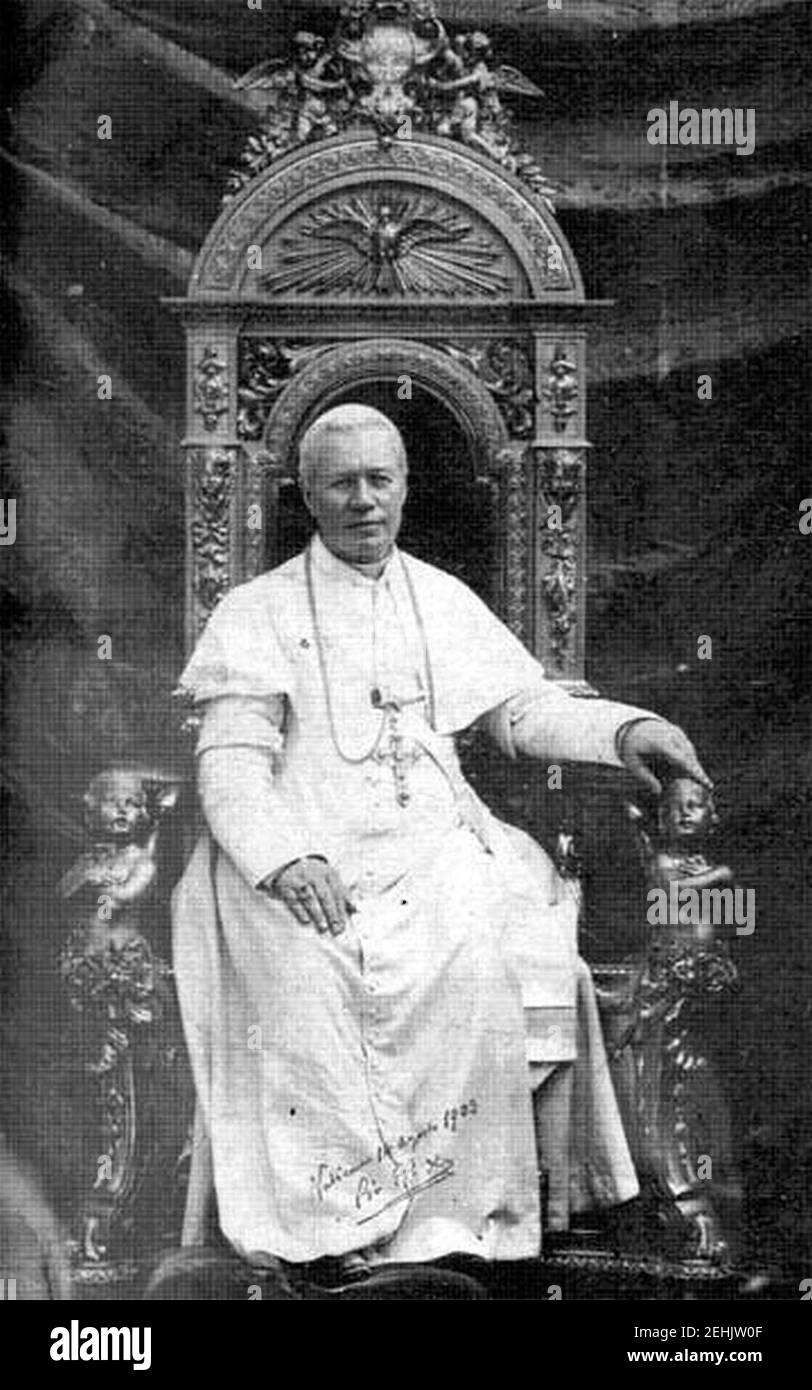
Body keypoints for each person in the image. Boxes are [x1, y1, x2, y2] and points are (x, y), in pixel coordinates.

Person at [172, 403, 711, 1290]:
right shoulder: (256, 611)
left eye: (379, 480)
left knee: (473, 957)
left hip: (429, 850)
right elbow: (229, 764)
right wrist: (283, 859)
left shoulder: (440, 597)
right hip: (297, 851)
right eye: (341, 483)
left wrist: (628, 732)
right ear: (306, 495)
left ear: (405, 487)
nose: (363, 500)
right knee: (305, 976)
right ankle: (338, 1233)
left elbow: (523, 712)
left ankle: (447, 1226)